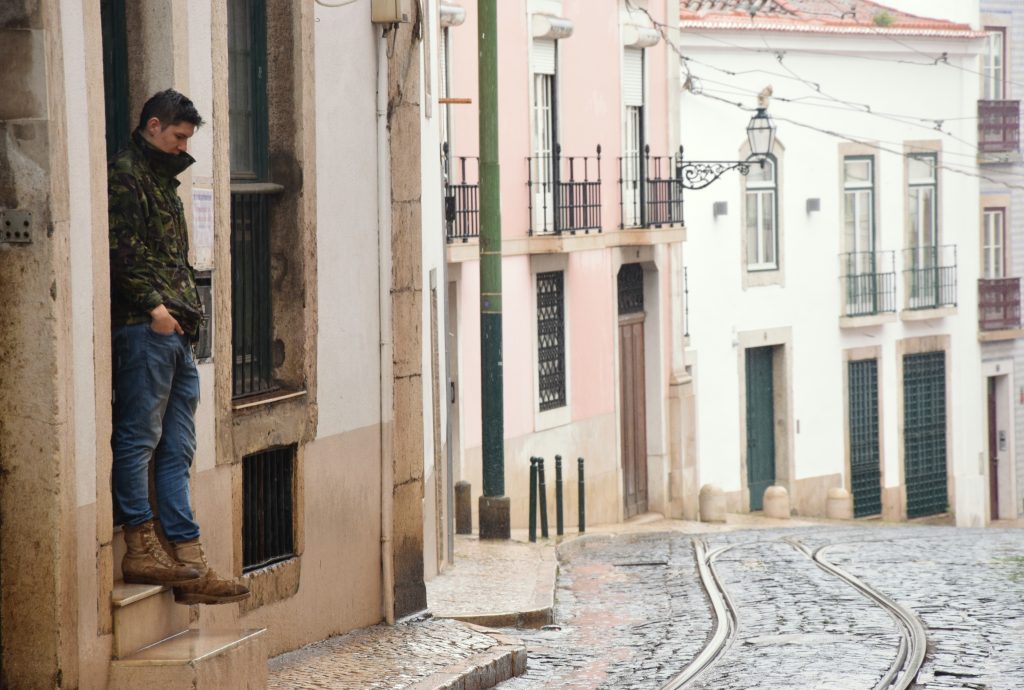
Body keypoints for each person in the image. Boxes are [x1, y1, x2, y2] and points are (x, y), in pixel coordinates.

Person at [109, 89, 249, 605]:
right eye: (178, 136)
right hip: (147, 330)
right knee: (139, 438)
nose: (182, 145)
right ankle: (140, 546)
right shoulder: (125, 175)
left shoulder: (162, 181)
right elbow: (121, 252)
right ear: (152, 125)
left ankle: (189, 562)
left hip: (175, 334)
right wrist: (156, 310)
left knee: (178, 449)